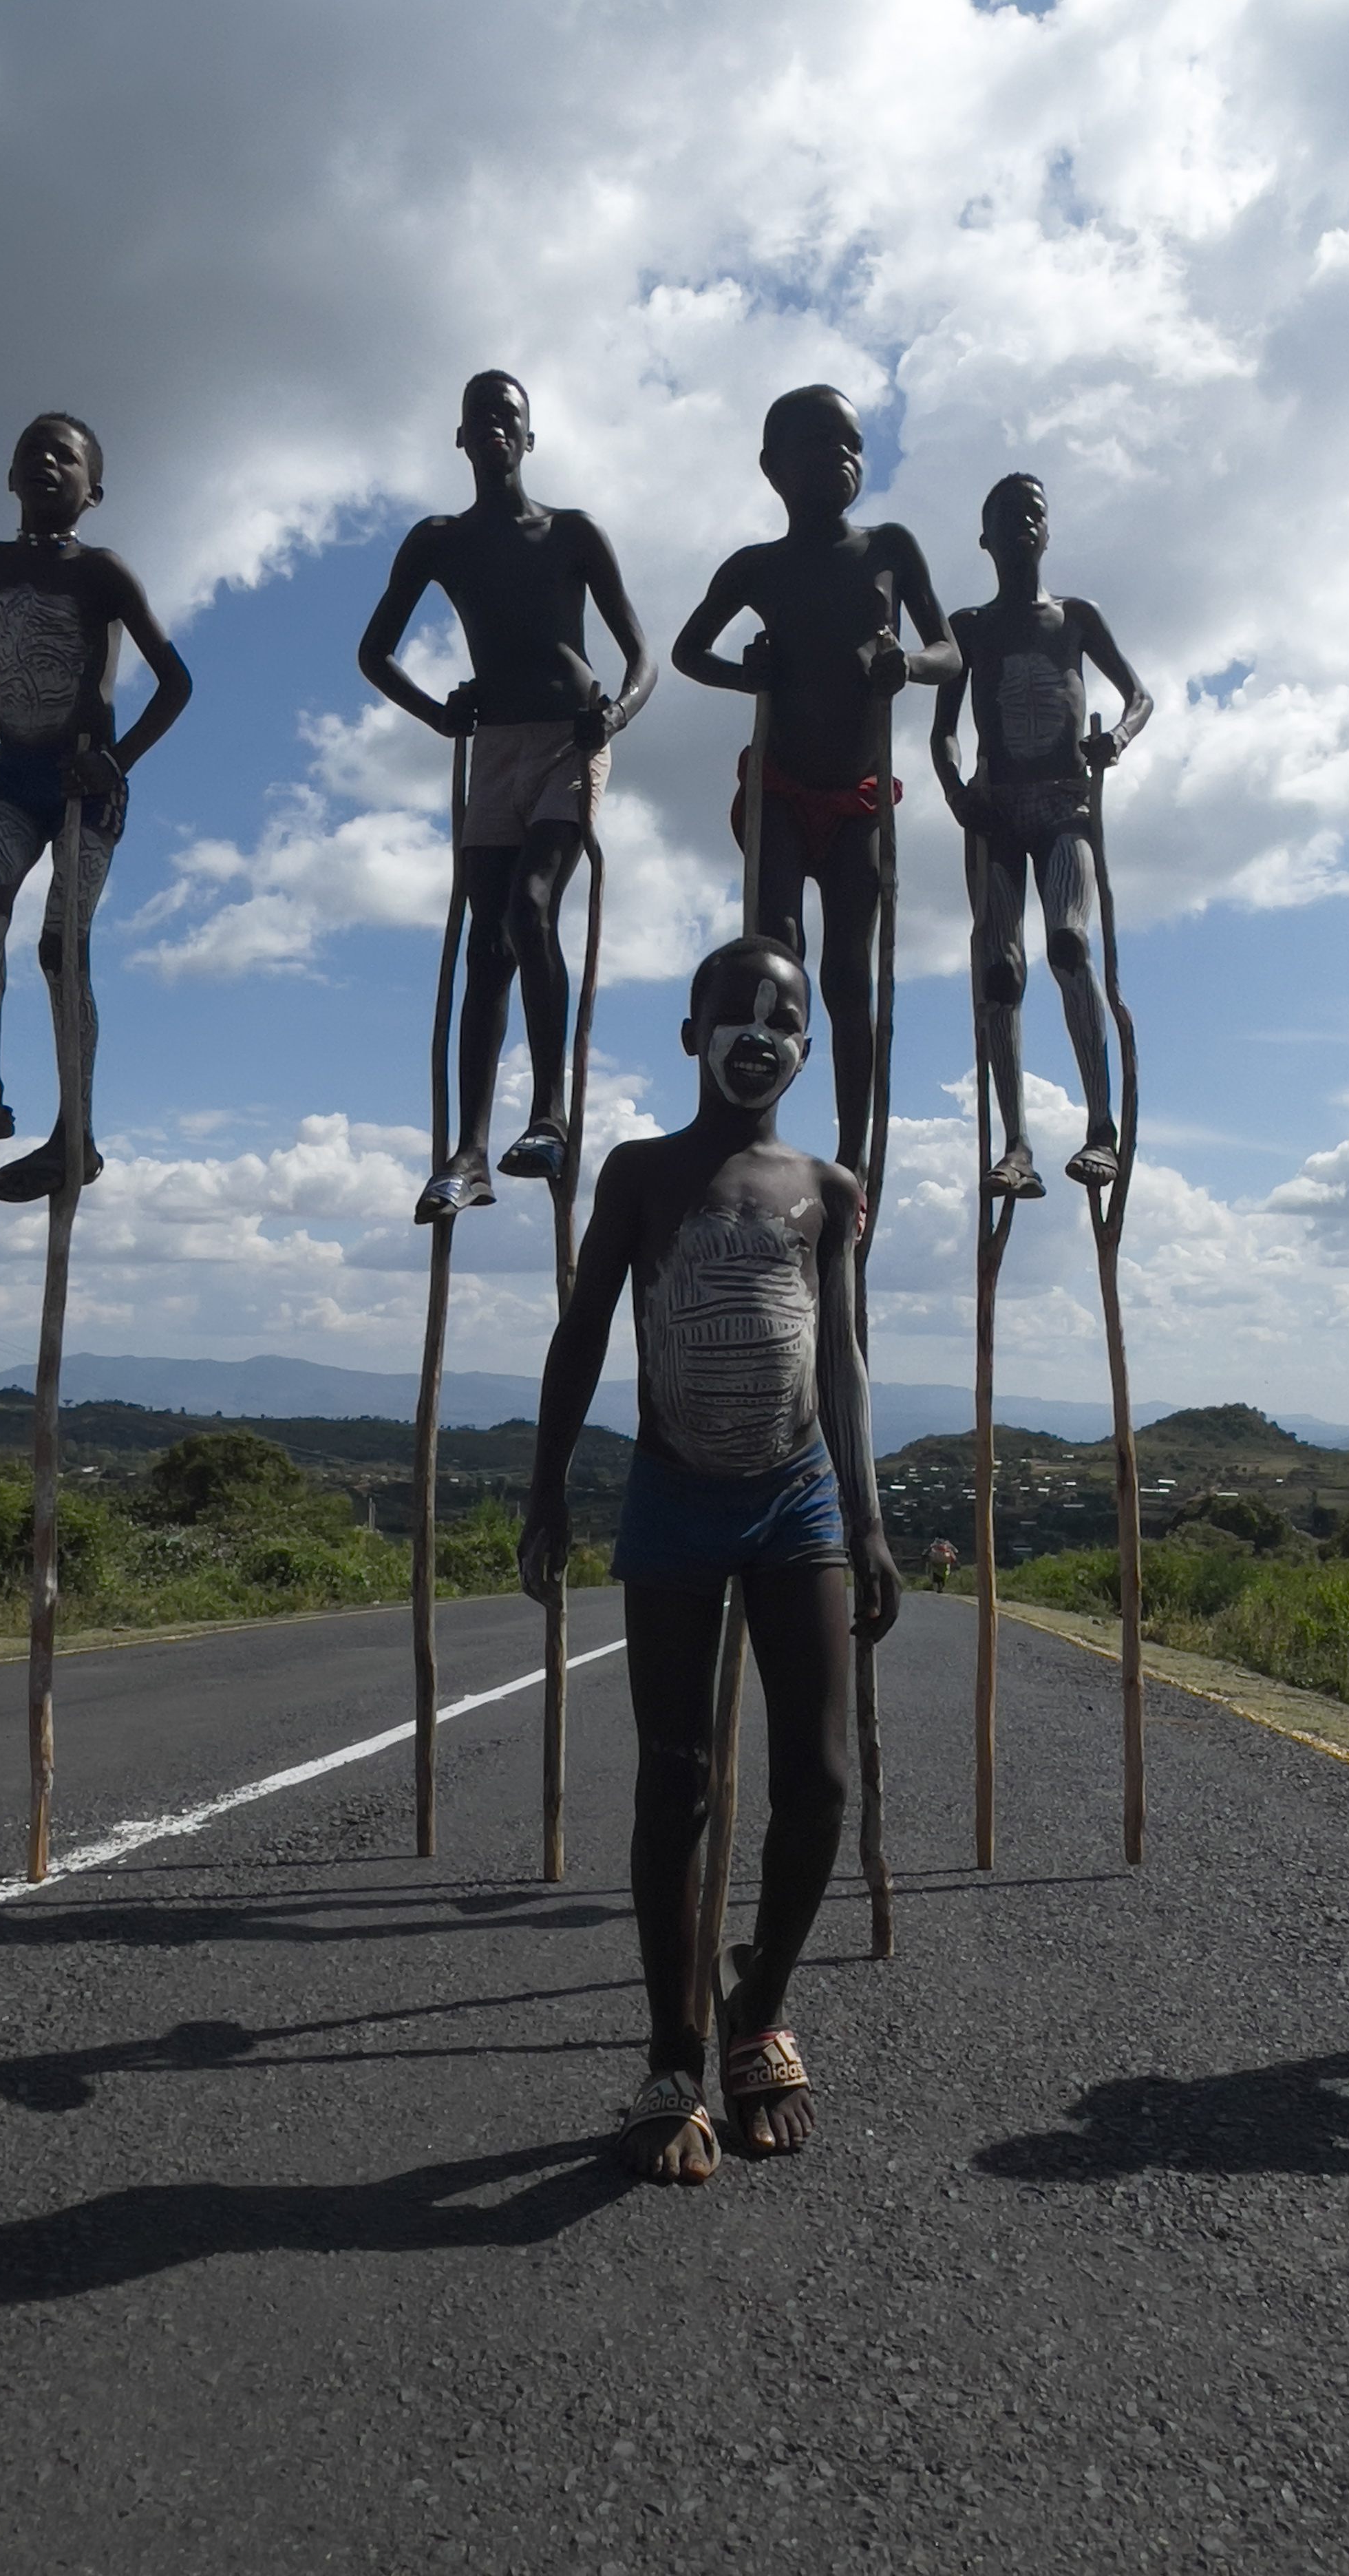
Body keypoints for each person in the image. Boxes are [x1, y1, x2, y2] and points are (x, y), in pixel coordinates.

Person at [520, 937, 901, 2184]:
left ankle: (758, 2008)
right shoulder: (641, 1173)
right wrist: (544, 1490)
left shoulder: (827, 1188)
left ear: (808, 1048)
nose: (757, 1034)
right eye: (733, 1014)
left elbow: (840, 1359)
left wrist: (869, 1517)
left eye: (782, 1018)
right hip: (672, 1499)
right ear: (690, 1036)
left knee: (822, 1781)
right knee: (672, 1780)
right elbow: (583, 1333)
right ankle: (672, 2054)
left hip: (798, 1501)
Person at [359, 371, 654, 1218]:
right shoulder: (439, 541)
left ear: (530, 438)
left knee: (531, 906)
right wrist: (439, 716)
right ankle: (470, 1154)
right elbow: (374, 652)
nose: (494, 426)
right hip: (493, 751)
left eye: (509, 416)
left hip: (570, 740)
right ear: (460, 438)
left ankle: (550, 1118)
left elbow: (642, 656)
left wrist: (616, 716)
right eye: (479, 416)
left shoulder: (571, 533)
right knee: (485, 945)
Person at [671, 386, 958, 1177]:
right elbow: (689, 652)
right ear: (773, 468)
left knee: (847, 977)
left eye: (852, 444)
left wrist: (908, 664)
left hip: (858, 798)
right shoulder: (757, 567)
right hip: (782, 791)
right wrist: (747, 675)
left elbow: (949, 652)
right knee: (776, 957)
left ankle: (851, 1157)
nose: (841, 457)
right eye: (817, 444)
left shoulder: (889, 549)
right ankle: (749, 1133)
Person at [0, 412, 191, 1201]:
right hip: (13, 777)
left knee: (59, 948)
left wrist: (116, 761)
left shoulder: (102, 574)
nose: (45, 461)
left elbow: (176, 682)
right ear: (10, 478)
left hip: (84, 786)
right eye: (31, 453)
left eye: (64, 456)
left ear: (93, 491)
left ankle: (76, 1133)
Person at [931, 473, 1151, 1199]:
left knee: (1069, 946)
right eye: (1008, 515)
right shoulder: (969, 628)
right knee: (1000, 972)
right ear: (985, 538)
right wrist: (956, 793)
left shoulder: (1075, 618)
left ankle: (1100, 1130)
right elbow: (943, 732)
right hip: (995, 810)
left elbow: (1139, 695)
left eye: (1035, 513)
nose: (1024, 523)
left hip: (1063, 805)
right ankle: (1016, 1144)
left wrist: (1118, 738)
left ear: (1049, 532)